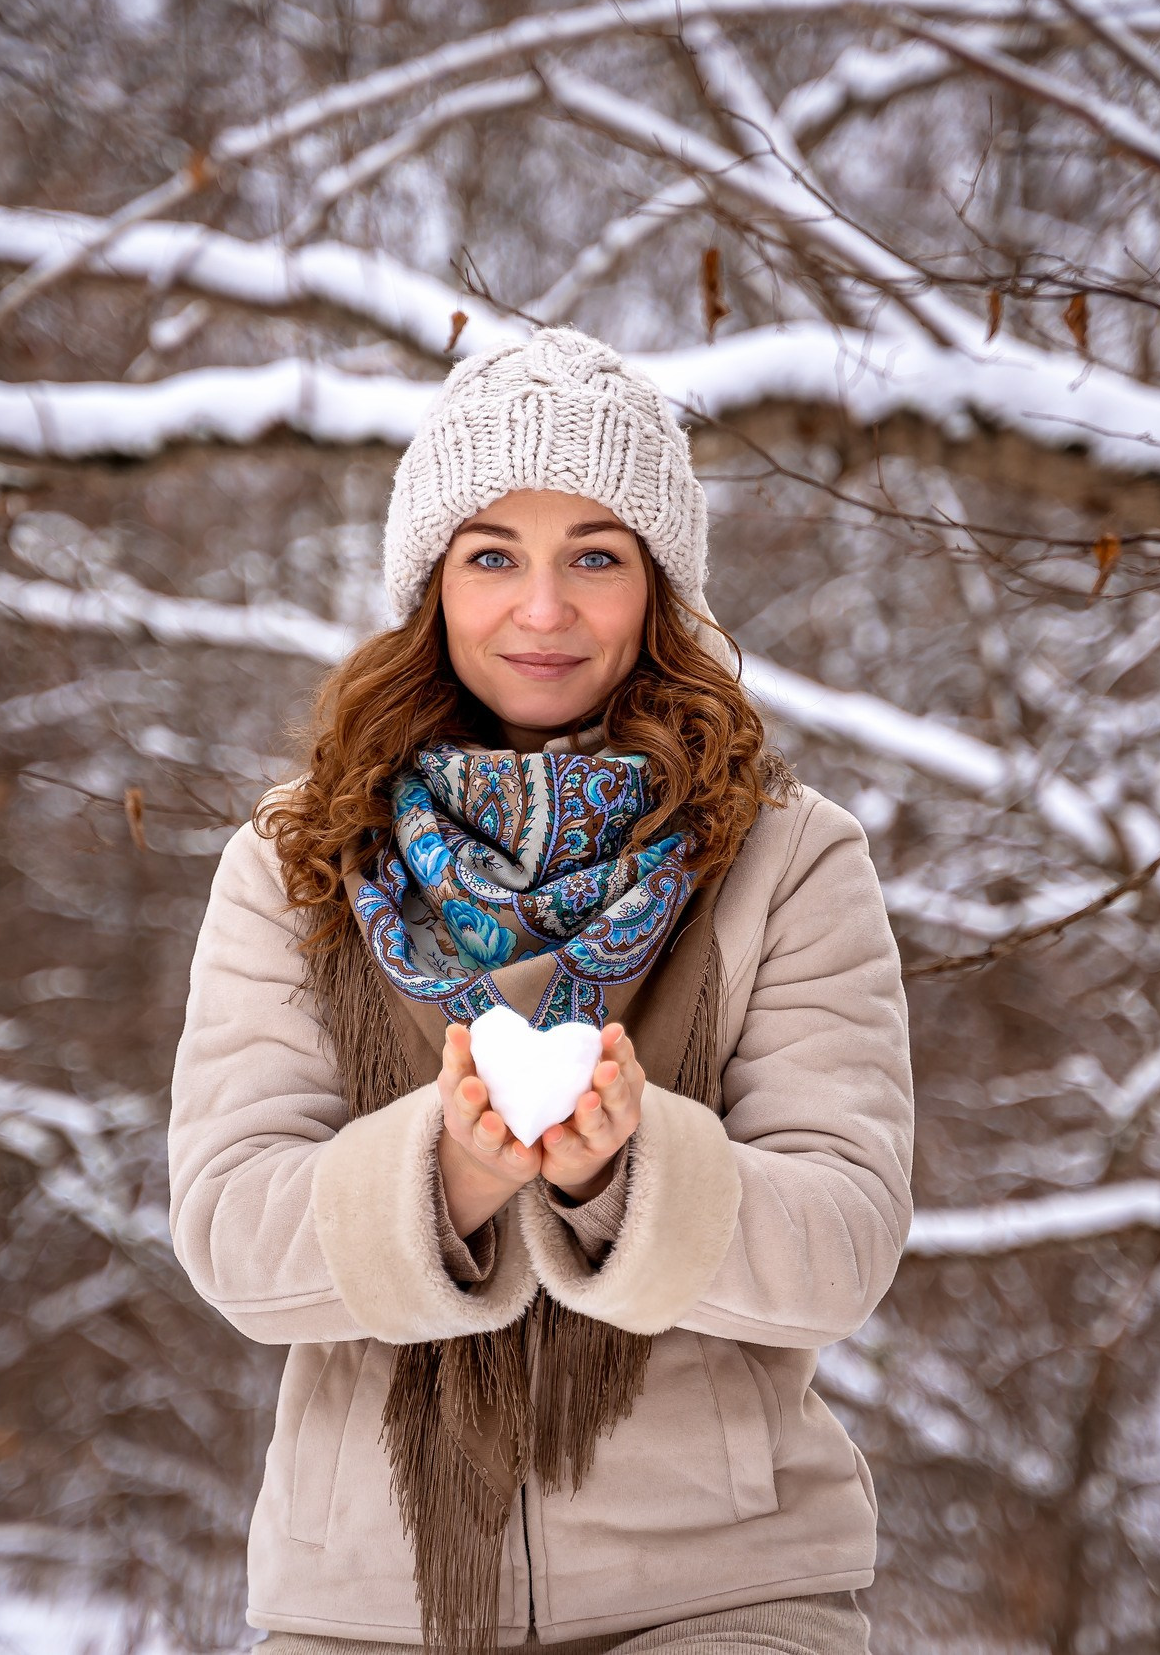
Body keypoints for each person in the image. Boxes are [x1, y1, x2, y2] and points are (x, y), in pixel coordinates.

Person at [167, 325, 914, 1654]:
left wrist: (624, 1177)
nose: (544, 610)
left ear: (661, 587)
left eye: (596, 557)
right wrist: (443, 1179)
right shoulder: (299, 859)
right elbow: (232, 1225)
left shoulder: (790, 857)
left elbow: (844, 1239)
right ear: (432, 585)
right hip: (366, 1608)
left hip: (722, 1591)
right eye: (494, 555)